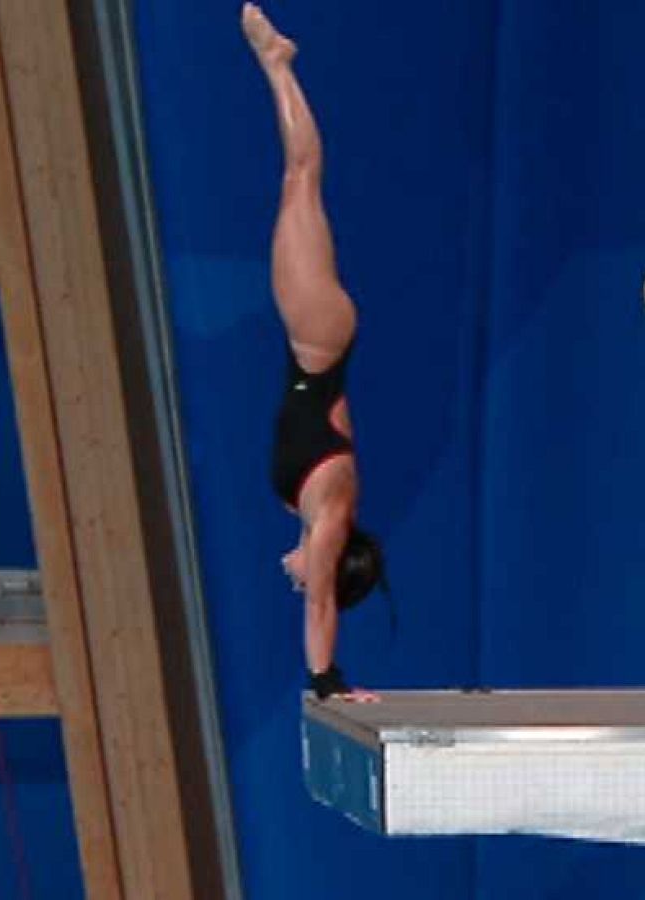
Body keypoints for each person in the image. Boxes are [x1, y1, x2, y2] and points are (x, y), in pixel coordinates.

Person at [244, 3, 385, 702]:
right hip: (317, 339)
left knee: (297, 182)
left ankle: (277, 68)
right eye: (315, 573)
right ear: (336, 564)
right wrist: (326, 679)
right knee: (300, 176)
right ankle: (278, 64)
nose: (298, 577)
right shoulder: (331, 518)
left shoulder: (316, 509)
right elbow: (321, 604)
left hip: (313, 341)